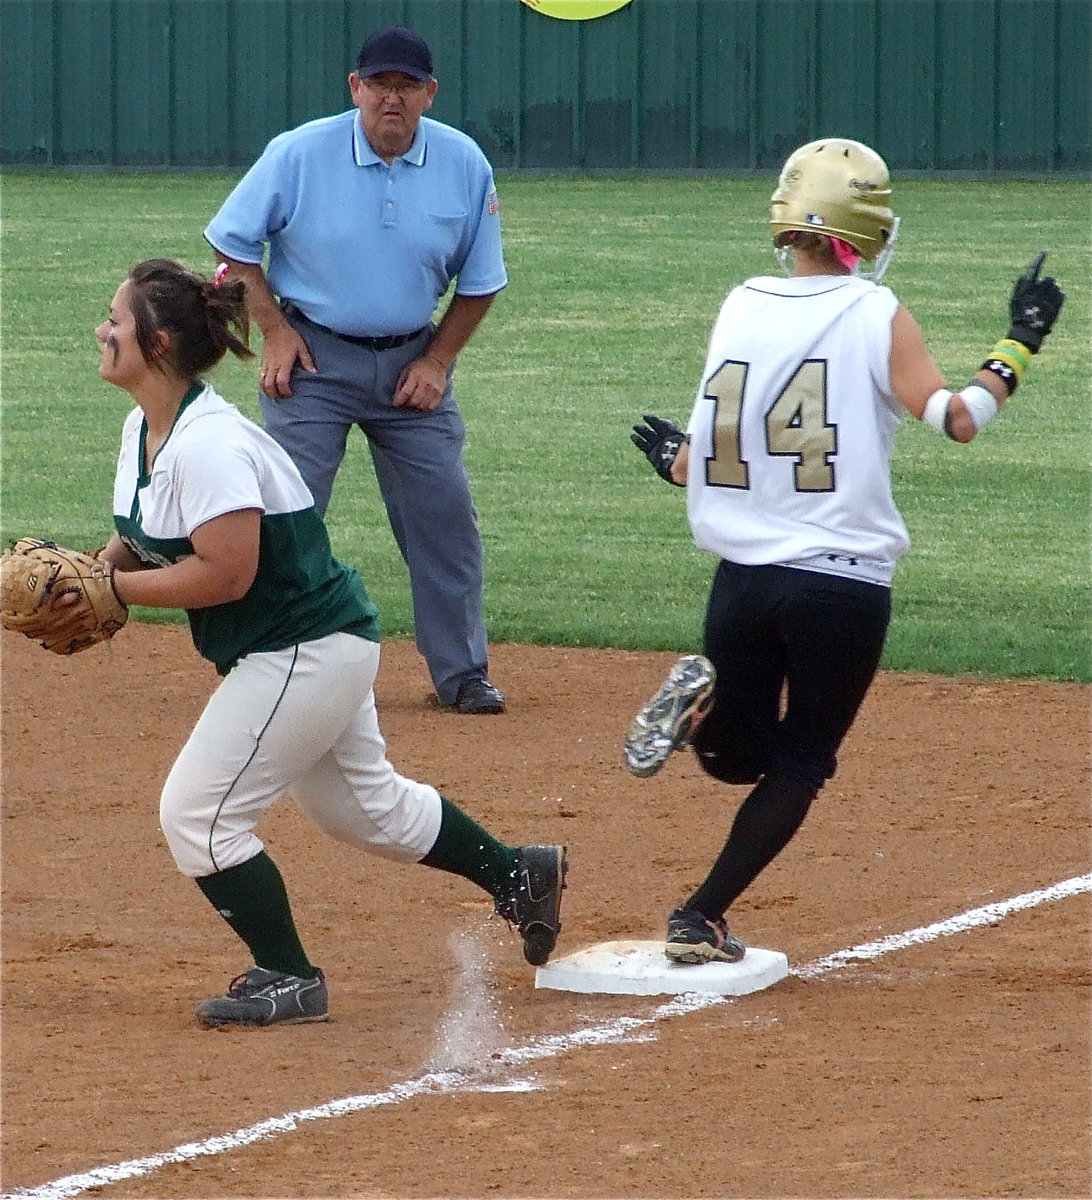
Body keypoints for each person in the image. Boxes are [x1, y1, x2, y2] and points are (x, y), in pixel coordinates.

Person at [93, 258, 566, 1027]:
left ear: (161, 339)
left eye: (115, 319)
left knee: (198, 815)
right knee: (365, 811)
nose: (102, 331)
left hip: (304, 649)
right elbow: (138, 536)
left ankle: (287, 974)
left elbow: (226, 573)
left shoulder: (208, 445)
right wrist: (92, 572)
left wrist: (111, 593)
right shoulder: (145, 429)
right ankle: (519, 873)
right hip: (308, 646)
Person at [625, 138, 1064, 965]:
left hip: (742, 579)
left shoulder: (740, 301)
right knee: (800, 762)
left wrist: (672, 461)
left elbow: (707, 451)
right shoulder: (872, 309)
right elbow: (957, 417)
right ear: (862, 231)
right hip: (840, 584)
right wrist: (1021, 343)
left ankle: (705, 713)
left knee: (737, 759)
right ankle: (700, 915)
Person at [203, 25, 507, 715]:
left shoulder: (464, 162)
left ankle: (462, 673)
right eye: (378, 84)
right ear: (354, 88)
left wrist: (436, 360)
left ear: (430, 94)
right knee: (284, 516)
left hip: (413, 366)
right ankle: (260, 660)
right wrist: (275, 332)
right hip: (313, 360)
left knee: (445, 518)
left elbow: (483, 280)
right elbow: (229, 245)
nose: (390, 98)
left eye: (405, 86)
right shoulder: (299, 153)